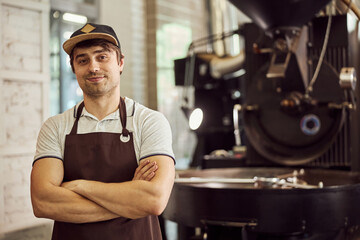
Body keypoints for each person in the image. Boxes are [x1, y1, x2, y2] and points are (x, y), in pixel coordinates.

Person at [30, 23, 175, 240]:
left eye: (102, 57)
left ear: (120, 63)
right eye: (83, 60)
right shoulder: (55, 126)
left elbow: (153, 200)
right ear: (74, 69)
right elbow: (43, 202)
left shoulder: (149, 122)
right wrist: (129, 201)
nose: (93, 67)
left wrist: (79, 186)